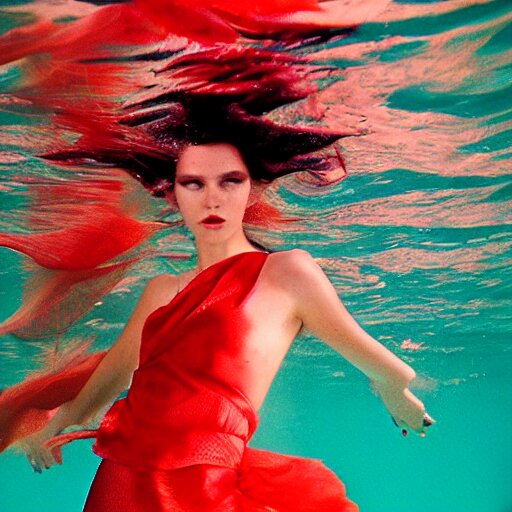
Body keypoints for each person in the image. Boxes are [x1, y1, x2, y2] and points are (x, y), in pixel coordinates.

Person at [19, 140, 434, 511]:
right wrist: (58, 423)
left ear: (251, 188)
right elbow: (115, 373)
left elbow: (381, 362)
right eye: (194, 184)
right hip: (121, 479)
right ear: (173, 193)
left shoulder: (287, 272)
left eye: (230, 181)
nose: (212, 199)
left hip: (207, 485)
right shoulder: (160, 290)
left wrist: (396, 391)